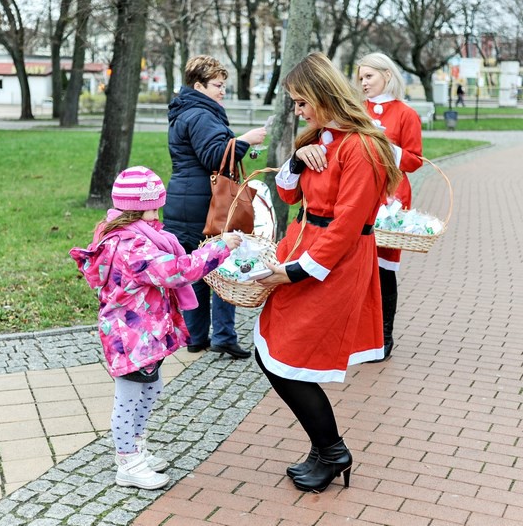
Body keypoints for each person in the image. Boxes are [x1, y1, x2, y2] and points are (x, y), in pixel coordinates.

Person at [252, 52, 402, 493]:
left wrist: (296, 272)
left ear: (322, 94)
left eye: (301, 101)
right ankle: (324, 448)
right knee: (274, 351)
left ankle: (333, 450)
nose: (297, 110)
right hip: (303, 248)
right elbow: (286, 190)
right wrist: (299, 159)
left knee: (288, 360)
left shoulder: (364, 146)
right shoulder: (322, 137)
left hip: (331, 264)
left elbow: (348, 224)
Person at [69, 166, 242, 490]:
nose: (158, 210)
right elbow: (177, 271)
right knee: (129, 398)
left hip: (145, 333)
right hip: (131, 337)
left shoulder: (139, 234)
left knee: (151, 389)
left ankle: (136, 447)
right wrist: (220, 247)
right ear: (142, 206)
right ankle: (127, 461)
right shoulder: (131, 245)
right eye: (155, 204)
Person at [164, 55, 267, 360]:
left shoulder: (185, 111)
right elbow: (214, 156)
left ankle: (196, 336)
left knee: (194, 268)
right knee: (221, 262)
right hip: (207, 202)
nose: (223, 91)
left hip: (183, 199)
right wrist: (245, 140)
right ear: (199, 85)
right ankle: (223, 335)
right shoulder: (202, 114)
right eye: (218, 85)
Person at [356, 52, 424, 361]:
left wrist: (388, 148)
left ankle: (383, 336)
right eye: (360, 78)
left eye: (368, 76)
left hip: (392, 198)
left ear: (387, 74)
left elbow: (415, 160)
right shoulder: (356, 110)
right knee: (357, 264)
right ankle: (358, 334)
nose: (364, 83)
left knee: (383, 268)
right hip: (358, 194)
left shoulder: (406, 113)